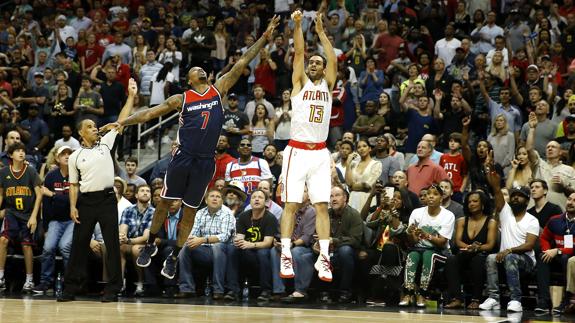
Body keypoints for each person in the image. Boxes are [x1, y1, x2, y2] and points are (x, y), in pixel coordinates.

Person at [106, 16, 280, 280]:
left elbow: (243, 61)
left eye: (202, 67)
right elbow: (149, 114)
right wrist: (121, 123)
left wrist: (265, 37)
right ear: (189, 79)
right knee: (164, 202)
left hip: (205, 161)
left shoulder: (217, 89)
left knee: (189, 210)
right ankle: (151, 243)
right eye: (195, 68)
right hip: (184, 157)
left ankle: (174, 257)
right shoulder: (182, 98)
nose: (200, 69)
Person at [58, 78, 137, 302]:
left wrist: (131, 96)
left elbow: (122, 120)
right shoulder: (74, 156)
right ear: (81, 133)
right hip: (85, 202)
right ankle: (70, 288)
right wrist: (73, 206)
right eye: (90, 127)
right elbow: (73, 184)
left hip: (107, 199)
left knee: (111, 244)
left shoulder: (106, 143)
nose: (95, 129)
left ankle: (113, 289)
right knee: (79, 246)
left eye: (95, 126)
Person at [279, 10, 338, 283]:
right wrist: (299, 25)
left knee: (322, 206)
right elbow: (300, 53)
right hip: (297, 151)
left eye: (318, 62)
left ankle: (324, 258)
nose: (313, 64)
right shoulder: (299, 83)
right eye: (311, 62)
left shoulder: (327, 84)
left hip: (320, 153)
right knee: (291, 204)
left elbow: (333, 57)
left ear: (324, 69)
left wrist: (322, 33)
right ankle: (286, 254)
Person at [177, 189, 235, 299]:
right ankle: (187, 288)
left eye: (218, 197)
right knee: (186, 247)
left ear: (222, 201)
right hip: (205, 251)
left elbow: (224, 237)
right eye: (212, 196)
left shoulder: (227, 213)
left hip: (224, 251)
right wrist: (192, 240)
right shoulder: (200, 213)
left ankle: (218, 290)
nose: (215, 198)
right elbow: (193, 234)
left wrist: (203, 240)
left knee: (218, 246)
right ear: (206, 200)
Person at [0, 142, 43, 292]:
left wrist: (34, 217)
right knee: (3, 240)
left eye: (23, 151)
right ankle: (1, 277)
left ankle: (29, 280)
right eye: (17, 151)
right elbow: (1, 194)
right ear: (11, 155)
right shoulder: (4, 172)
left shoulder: (30, 171)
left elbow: (39, 195)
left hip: (27, 214)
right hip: (11, 212)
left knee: (26, 245)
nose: (21, 153)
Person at [444, 190, 497, 309]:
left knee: (477, 260)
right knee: (451, 260)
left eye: (475, 201)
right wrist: (469, 247)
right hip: (464, 252)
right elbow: (457, 241)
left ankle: (476, 299)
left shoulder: (491, 222)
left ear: (482, 204)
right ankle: (457, 298)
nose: (471, 204)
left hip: (482, 254)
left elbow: (490, 244)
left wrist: (477, 248)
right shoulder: (462, 220)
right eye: (469, 202)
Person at [33, 146, 74, 294]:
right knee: (48, 247)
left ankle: (69, 282)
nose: (67, 156)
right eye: (63, 154)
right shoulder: (51, 176)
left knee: (64, 247)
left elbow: (74, 201)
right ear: (57, 158)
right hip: (55, 221)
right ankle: (45, 283)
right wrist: (46, 227)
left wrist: (54, 195)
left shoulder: (78, 175)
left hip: (73, 220)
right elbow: (46, 204)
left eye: (70, 153)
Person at [119, 185, 154, 296]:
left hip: (148, 245)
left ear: (150, 195)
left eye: (148, 191)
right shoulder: (128, 210)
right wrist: (122, 237)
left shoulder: (154, 212)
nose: (145, 193)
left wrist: (128, 240)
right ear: (136, 195)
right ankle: (119, 283)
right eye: (142, 191)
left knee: (135, 249)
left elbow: (145, 238)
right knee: (119, 247)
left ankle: (140, 282)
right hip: (130, 242)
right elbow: (123, 229)